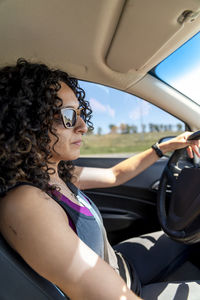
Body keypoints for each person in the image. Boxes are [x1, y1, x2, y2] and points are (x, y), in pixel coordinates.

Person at [0, 58, 199, 300]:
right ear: (28, 120)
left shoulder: (56, 173)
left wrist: (163, 147)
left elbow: (115, 175)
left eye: (80, 114)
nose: (83, 126)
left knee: (184, 239)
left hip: (120, 263)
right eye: (68, 116)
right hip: (125, 288)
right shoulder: (27, 203)